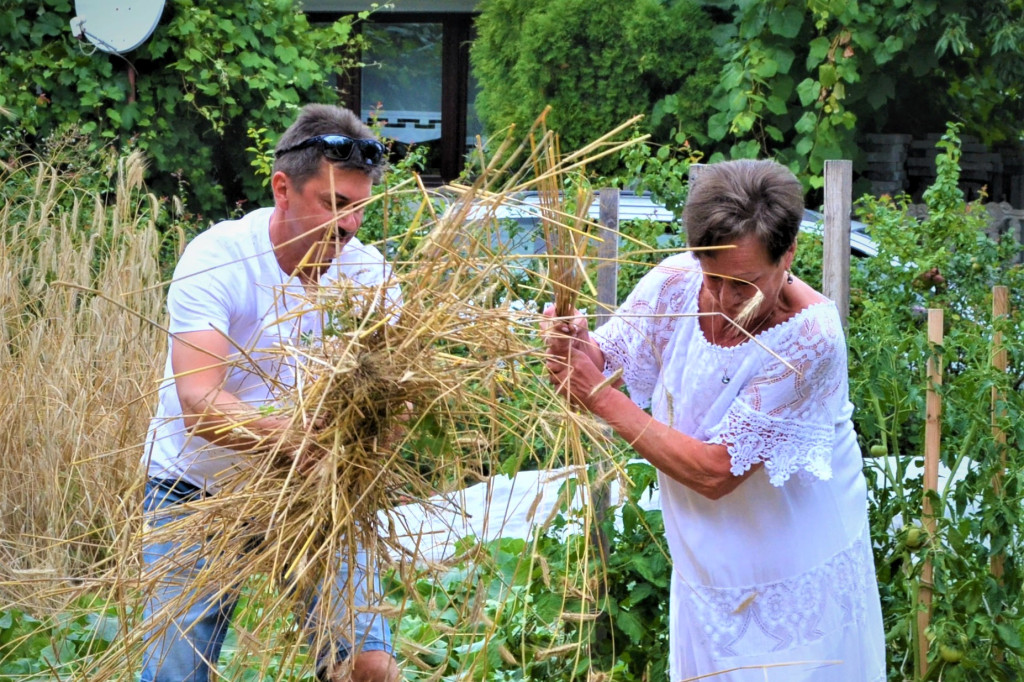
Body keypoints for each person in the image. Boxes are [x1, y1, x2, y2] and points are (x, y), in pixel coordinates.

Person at [543, 159, 885, 680]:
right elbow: (603, 366)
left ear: (788, 253)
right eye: (714, 277)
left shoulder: (811, 339)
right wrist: (573, 345)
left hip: (795, 586)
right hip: (708, 575)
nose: (724, 300)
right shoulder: (674, 285)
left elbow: (715, 472)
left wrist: (597, 395)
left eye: (744, 284)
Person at [140, 104, 401, 682]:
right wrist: (304, 443)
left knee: (367, 668)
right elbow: (201, 403)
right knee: (173, 673)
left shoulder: (370, 277)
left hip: (316, 492)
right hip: (197, 490)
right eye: (333, 204)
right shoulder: (218, 259)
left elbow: (394, 402)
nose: (349, 225)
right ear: (283, 189)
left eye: (358, 208)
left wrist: (363, 454)